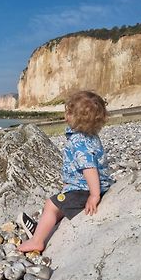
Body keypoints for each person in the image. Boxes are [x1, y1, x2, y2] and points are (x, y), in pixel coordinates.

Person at [18, 90, 114, 253]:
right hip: (90, 185)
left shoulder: (78, 141)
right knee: (61, 202)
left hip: (85, 190)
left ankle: (37, 239)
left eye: (67, 111)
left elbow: (88, 168)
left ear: (72, 116)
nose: (65, 114)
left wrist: (94, 195)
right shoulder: (90, 136)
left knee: (51, 204)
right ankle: (46, 226)